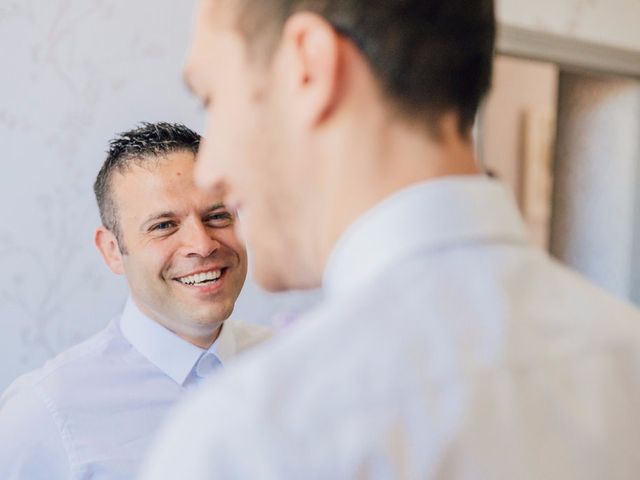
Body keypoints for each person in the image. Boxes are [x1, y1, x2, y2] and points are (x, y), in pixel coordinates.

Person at [140, 2, 640, 479]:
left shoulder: (253, 436)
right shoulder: (626, 353)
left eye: (212, 98)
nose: (208, 173)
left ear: (308, 65)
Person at [0, 122, 271, 480]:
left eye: (217, 216)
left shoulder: (300, 363)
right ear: (112, 251)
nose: (203, 245)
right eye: (164, 225)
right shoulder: (43, 414)